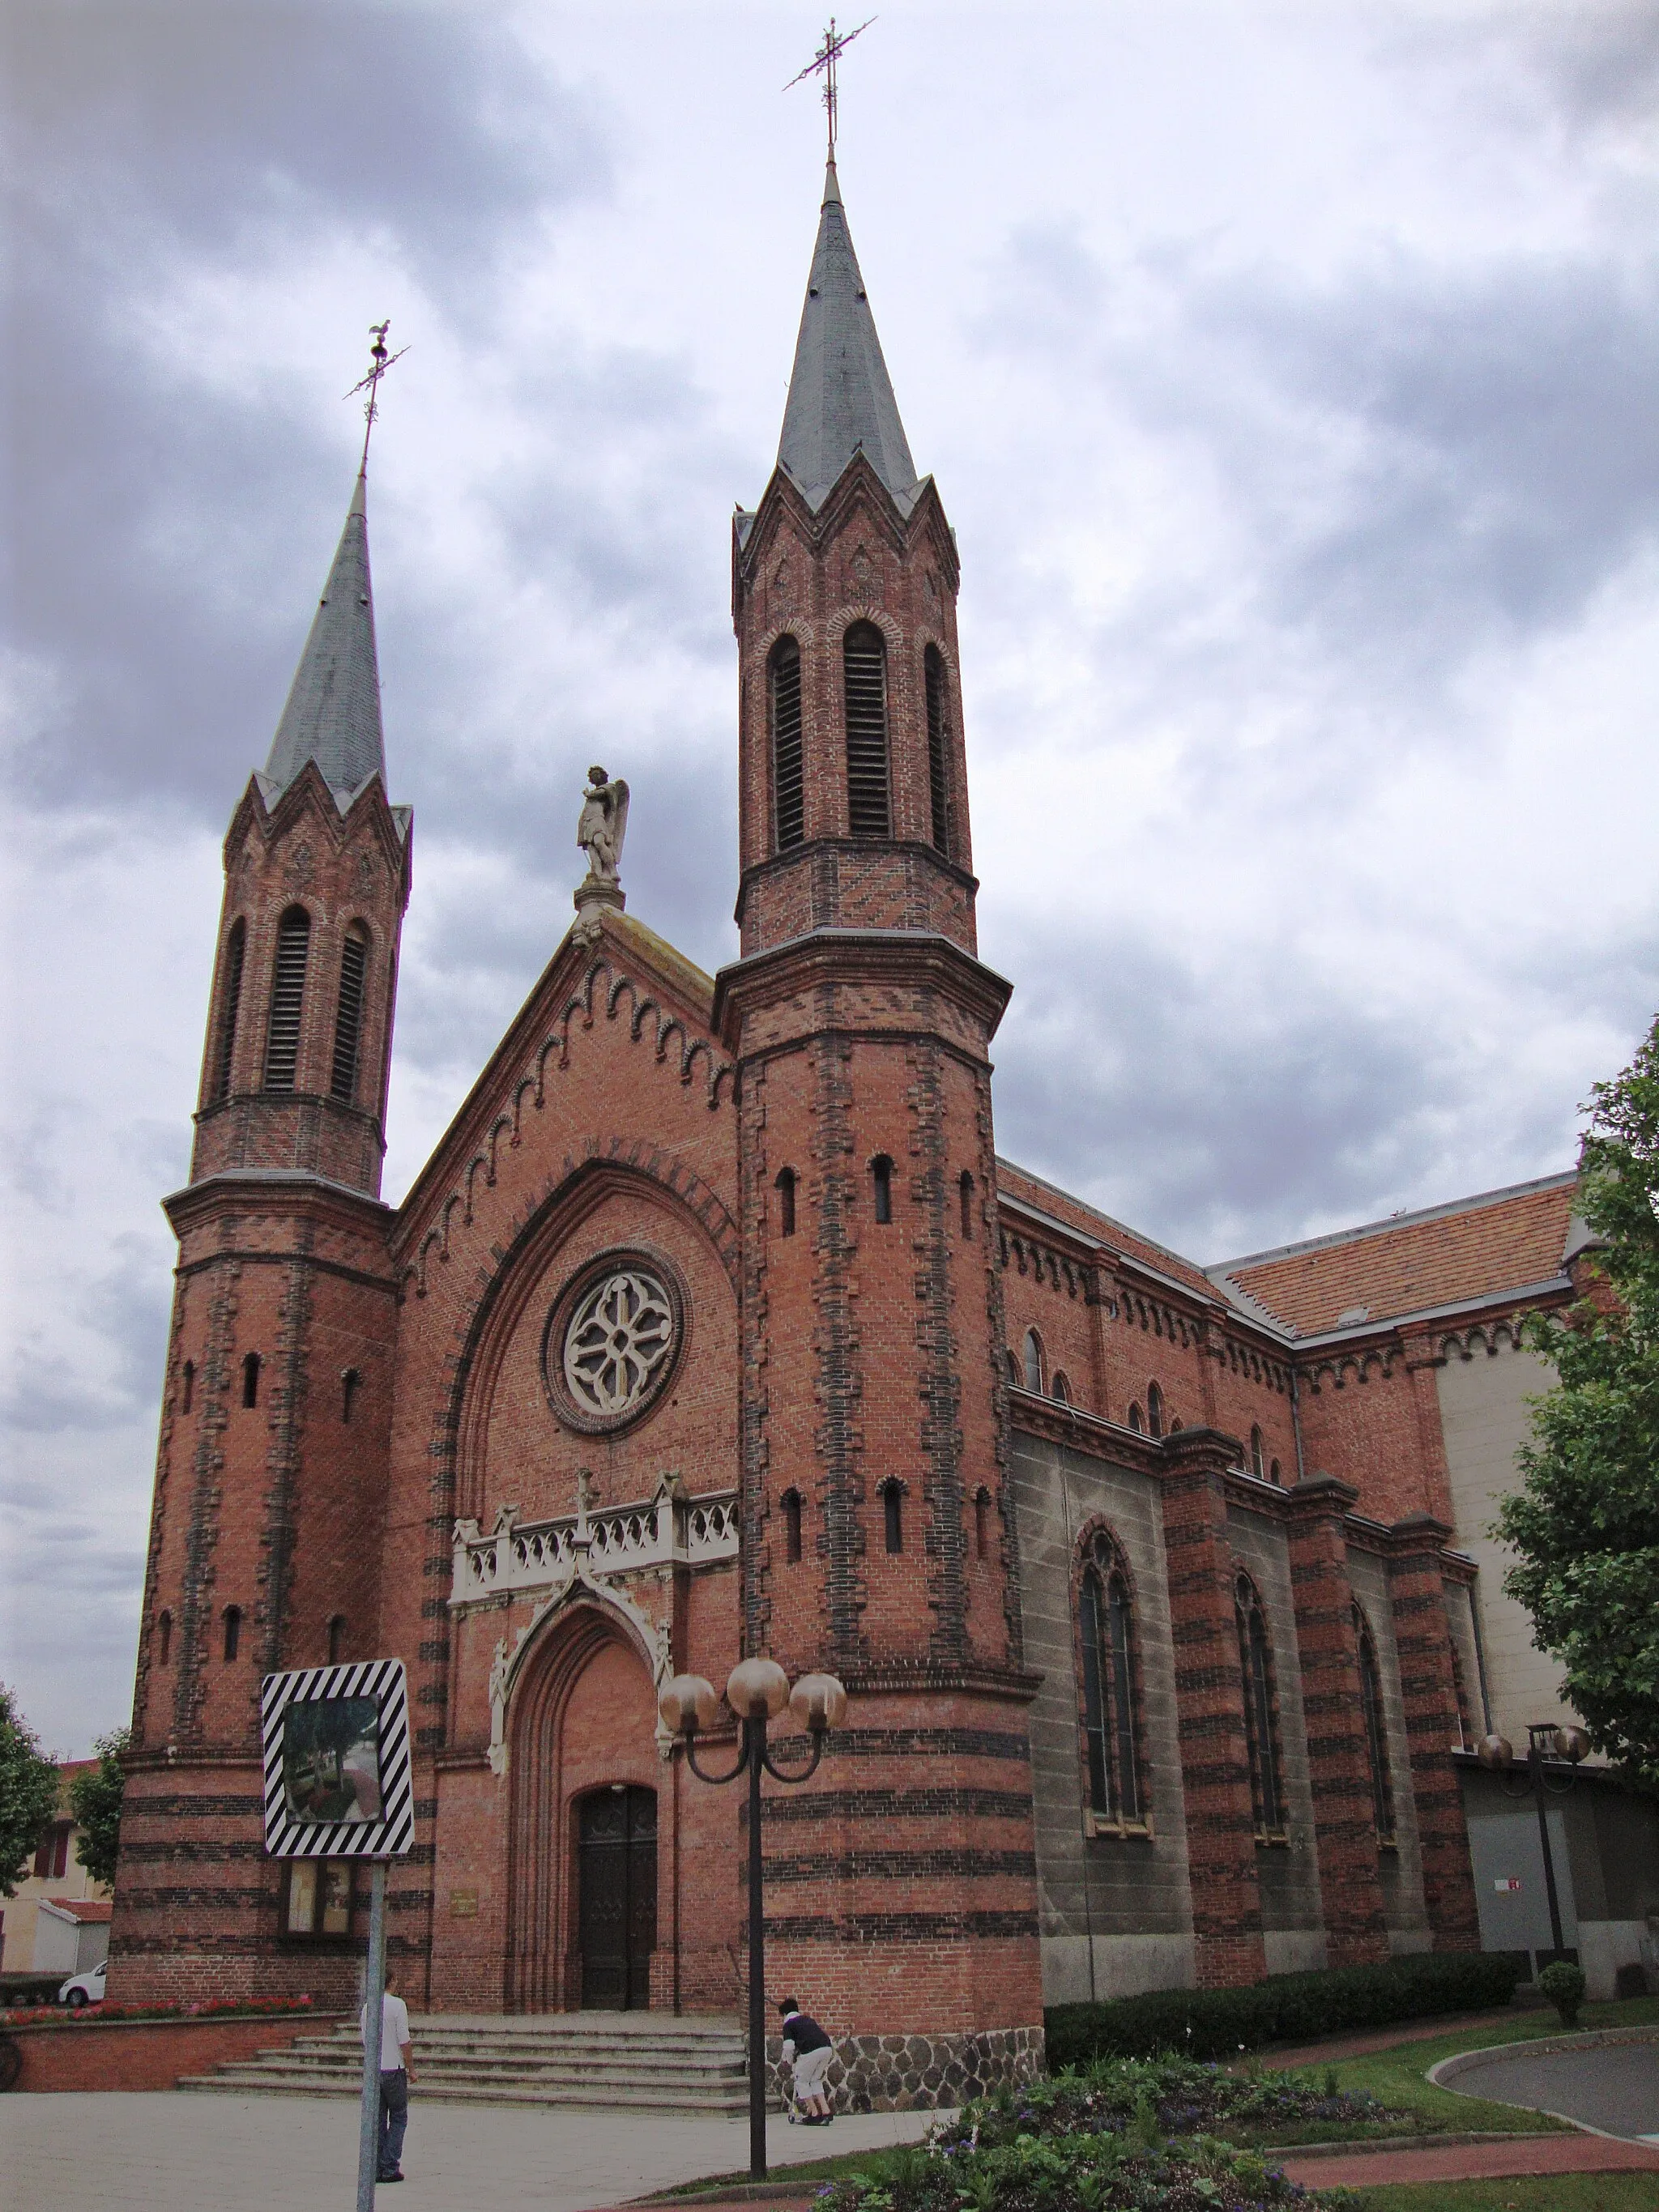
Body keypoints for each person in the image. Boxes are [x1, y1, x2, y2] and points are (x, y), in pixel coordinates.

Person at [360, 1964, 415, 2182]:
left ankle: (376, 2166)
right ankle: (390, 2165)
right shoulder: (397, 2005)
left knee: (379, 2119)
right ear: (391, 1981)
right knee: (400, 2117)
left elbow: (365, 2040)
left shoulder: (368, 2006)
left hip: (375, 2070)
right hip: (394, 2069)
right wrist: (411, 2069)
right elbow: (405, 2041)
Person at [778, 1996, 834, 2124]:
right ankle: (826, 2112)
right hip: (826, 2048)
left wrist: (789, 2061)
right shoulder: (807, 2019)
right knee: (815, 2080)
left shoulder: (789, 2024)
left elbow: (788, 2047)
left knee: (801, 2081)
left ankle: (814, 2114)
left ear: (785, 2013)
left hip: (811, 2051)